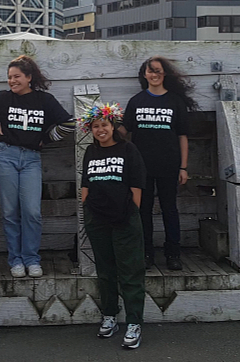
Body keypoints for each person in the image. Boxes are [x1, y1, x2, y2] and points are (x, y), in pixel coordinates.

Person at [0, 55, 74, 278]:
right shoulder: (2, 98)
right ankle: (15, 260)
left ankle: (32, 259)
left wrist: (46, 138)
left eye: (16, 76)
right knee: (10, 211)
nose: (12, 81)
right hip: (3, 155)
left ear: (29, 77)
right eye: (9, 77)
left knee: (32, 211)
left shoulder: (44, 100)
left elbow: (68, 124)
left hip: (31, 159)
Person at [79, 102, 146, 349]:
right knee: (105, 271)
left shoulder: (128, 149)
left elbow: (137, 184)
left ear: (113, 125)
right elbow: (86, 182)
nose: (100, 130)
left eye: (104, 125)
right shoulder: (89, 152)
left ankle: (134, 322)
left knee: (130, 270)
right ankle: (109, 315)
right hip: (97, 219)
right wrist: (87, 207)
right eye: (95, 126)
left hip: (125, 219)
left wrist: (130, 212)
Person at [121, 56, 196, 271]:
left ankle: (173, 253)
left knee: (169, 209)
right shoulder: (136, 101)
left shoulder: (175, 101)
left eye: (158, 71)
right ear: (144, 75)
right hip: (141, 166)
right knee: (142, 210)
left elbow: (182, 136)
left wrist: (183, 167)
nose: (154, 75)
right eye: (150, 71)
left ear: (165, 74)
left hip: (169, 165)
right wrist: (100, 124)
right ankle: (146, 253)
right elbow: (124, 131)